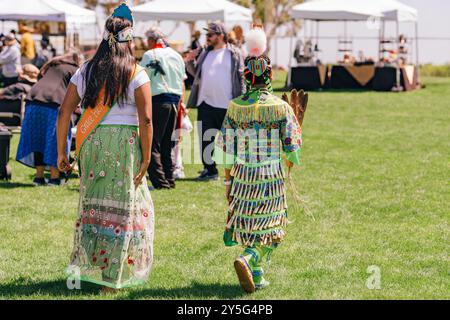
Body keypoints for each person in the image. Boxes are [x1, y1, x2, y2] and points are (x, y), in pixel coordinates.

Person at [56, 3, 154, 291]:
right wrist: (147, 157)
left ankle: (95, 266)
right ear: (129, 41)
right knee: (124, 207)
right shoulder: (137, 72)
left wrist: (63, 152)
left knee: (95, 205)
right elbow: (146, 118)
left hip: (93, 143)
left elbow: (65, 112)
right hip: (124, 144)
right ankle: (110, 280)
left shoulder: (86, 70)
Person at [214, 27, 302, 293]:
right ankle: (249, 258)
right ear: (269, 76)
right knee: (273, 226)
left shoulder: (235, 106)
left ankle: (258, 274)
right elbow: (292, 146)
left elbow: (224, 148)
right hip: (269, 177)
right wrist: (291, 159)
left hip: (242, 176)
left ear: (247, 78)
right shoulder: (280, 107)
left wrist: (228, 180)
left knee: (250, 223)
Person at [185, 21, 245, 181]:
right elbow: (196, 73)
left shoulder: (235, 53)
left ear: (221, 36)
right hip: (205, 104)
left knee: (231, 142)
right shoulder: (205, 53)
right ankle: (210, 170)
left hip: (228, 105)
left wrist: (243, 100)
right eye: (207, 35)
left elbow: (242, 78)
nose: (207, 37)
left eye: (210, 35)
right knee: (205, 140)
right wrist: (189, 61)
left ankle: (235, 171)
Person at [16, 50, 81, 186]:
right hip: (53, 103)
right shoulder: (75, 70)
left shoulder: (53, 65)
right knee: (55, 139)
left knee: (38, 139)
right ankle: (54, 178)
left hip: (33, 100)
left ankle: (39, 178)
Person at [140, 27, 187, 190]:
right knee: (167, 143)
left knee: (152, 142)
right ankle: (169, 178)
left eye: (147, 41)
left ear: (152, 41)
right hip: (175, 101)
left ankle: (160, 182)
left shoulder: (149, 55)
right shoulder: (177, 56)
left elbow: (142, 79)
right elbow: (183, 81)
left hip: (157, 101)